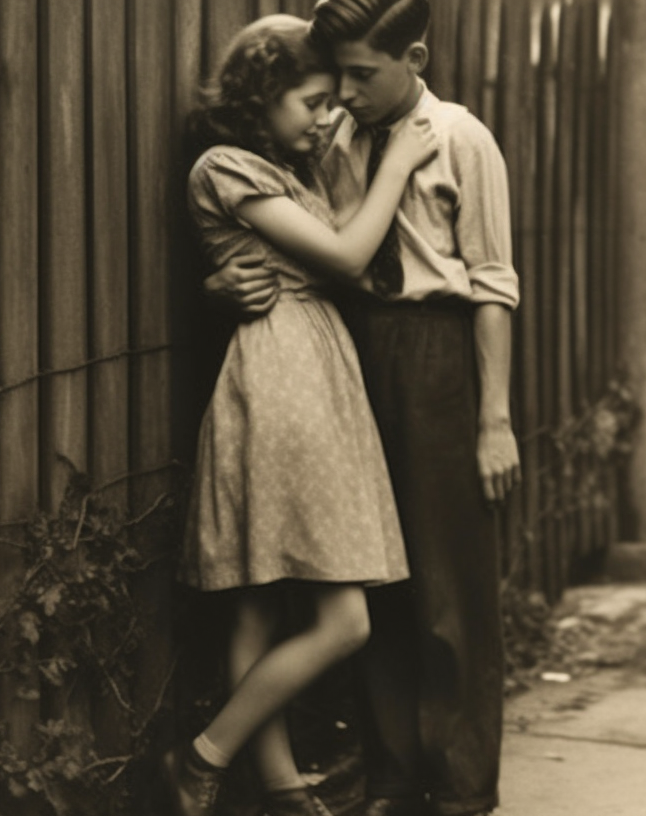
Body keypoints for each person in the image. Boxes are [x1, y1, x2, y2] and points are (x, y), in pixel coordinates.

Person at [204, 2, 522, 814]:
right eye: (335, 77)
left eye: (361, 75)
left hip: (438, 351)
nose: (344, 94)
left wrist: (494, 419)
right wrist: (221, 282)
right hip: (352, 352)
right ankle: (390, 774)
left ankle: (456, 786)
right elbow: (285, 246)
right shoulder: (331, 137)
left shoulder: (460, 138)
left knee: (451, 581)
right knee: (373, 575)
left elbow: (492, 286)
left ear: (412, 58)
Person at [164, 14, 441, 816]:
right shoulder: (226, 167)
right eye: (313, 101)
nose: (329, 117)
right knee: (342, 619)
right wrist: (398, 166)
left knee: (262, 597)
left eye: (333, 101)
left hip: (312, 368)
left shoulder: (287, 167)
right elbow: (349, 257)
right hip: (282, 377)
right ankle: (204, 758)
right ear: (261, 97)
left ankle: (277, 786)